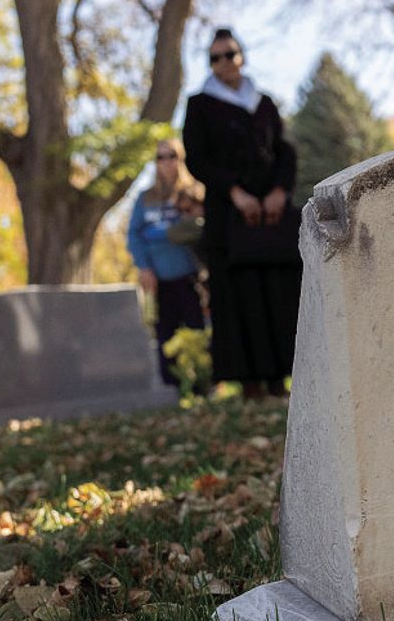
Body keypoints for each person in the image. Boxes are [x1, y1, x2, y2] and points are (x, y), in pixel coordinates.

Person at [182, 28, 301, 399]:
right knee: (239, 297)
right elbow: (197, 159)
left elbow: (283, 150)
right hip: (230, 219)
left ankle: (280, 380)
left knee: (278, 294)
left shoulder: (263, 103)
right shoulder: (199, 104)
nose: (223, 63)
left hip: (271, 217)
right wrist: (236, 193)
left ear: (241, 56)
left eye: (229, 54)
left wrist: (279, 191)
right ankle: (250, 383)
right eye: (214, 57)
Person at [126, 138, 206, 386]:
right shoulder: (145, 198)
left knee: (198, 331)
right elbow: (133, 235)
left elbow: (200, 228)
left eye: (171, 155)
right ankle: (173, 389)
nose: (166, 162)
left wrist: (168, 234)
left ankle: (203, 383)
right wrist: (144, 267)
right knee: (165, 336)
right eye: (160, 157)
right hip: (159, 280)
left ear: (180, 158)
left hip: (191, 277)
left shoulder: (193, 192)